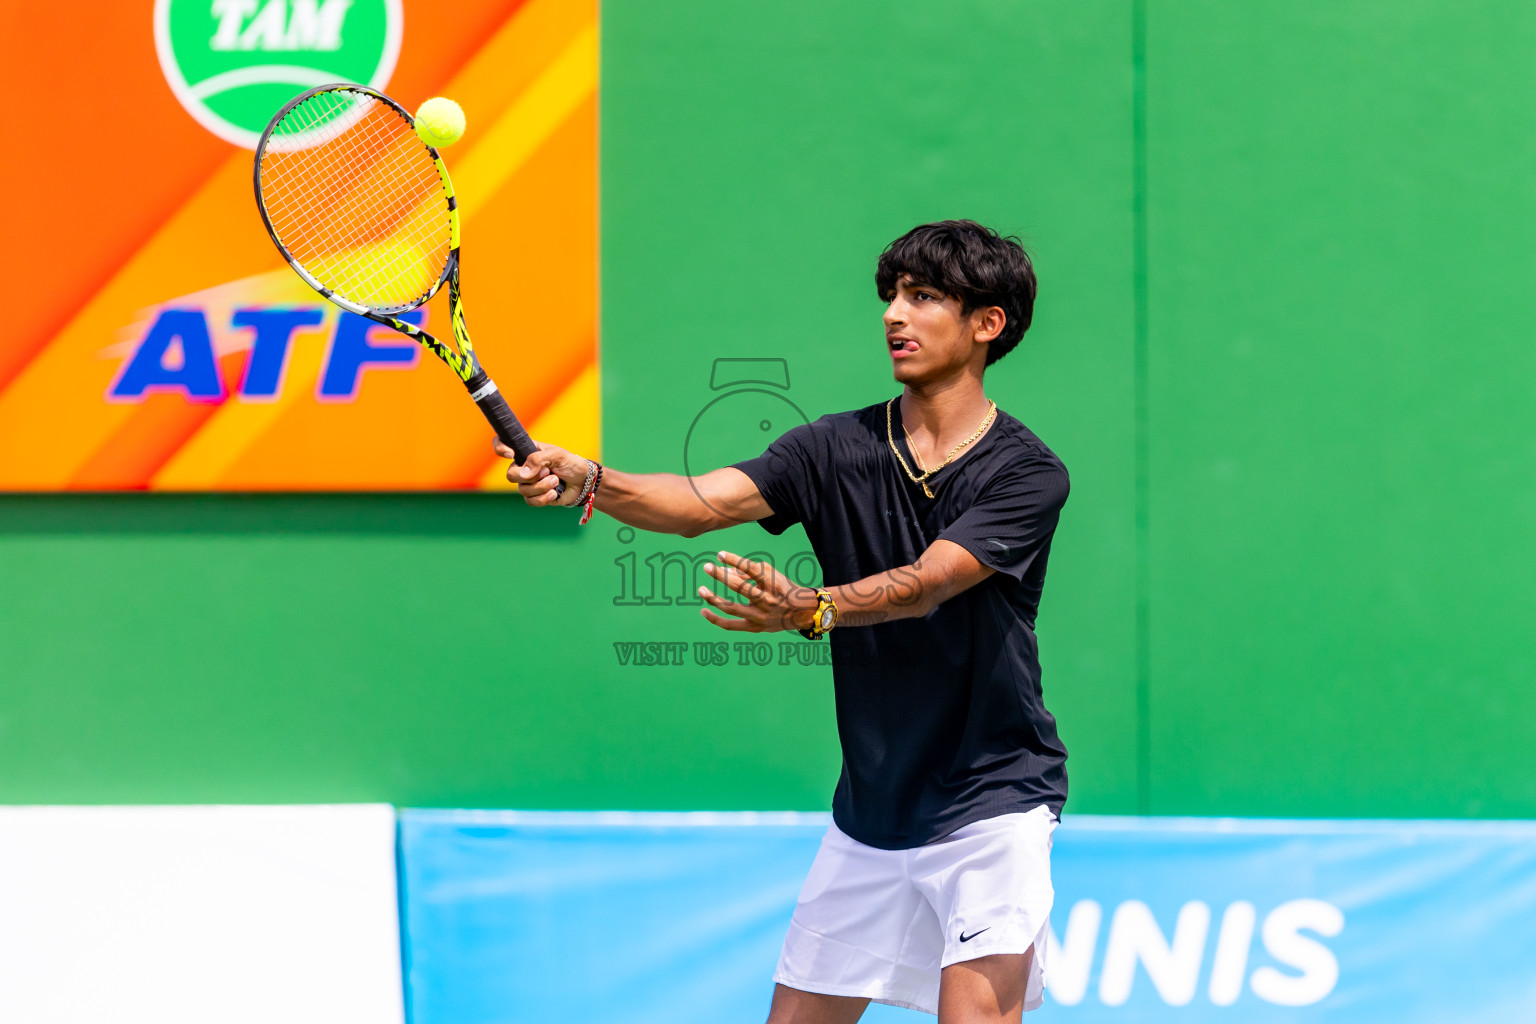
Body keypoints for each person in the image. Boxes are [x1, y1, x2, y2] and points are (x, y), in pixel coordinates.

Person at [496, 219, 1070, 1024]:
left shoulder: (1027, 473)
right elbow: (699, 504)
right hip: (872, 809)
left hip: (993, 801)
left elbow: (932, 582)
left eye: (925, 297)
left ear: (987, 324)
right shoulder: (832, 448)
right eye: (892, 296)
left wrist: (816, 607)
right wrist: (592, 476)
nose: (894, 315)